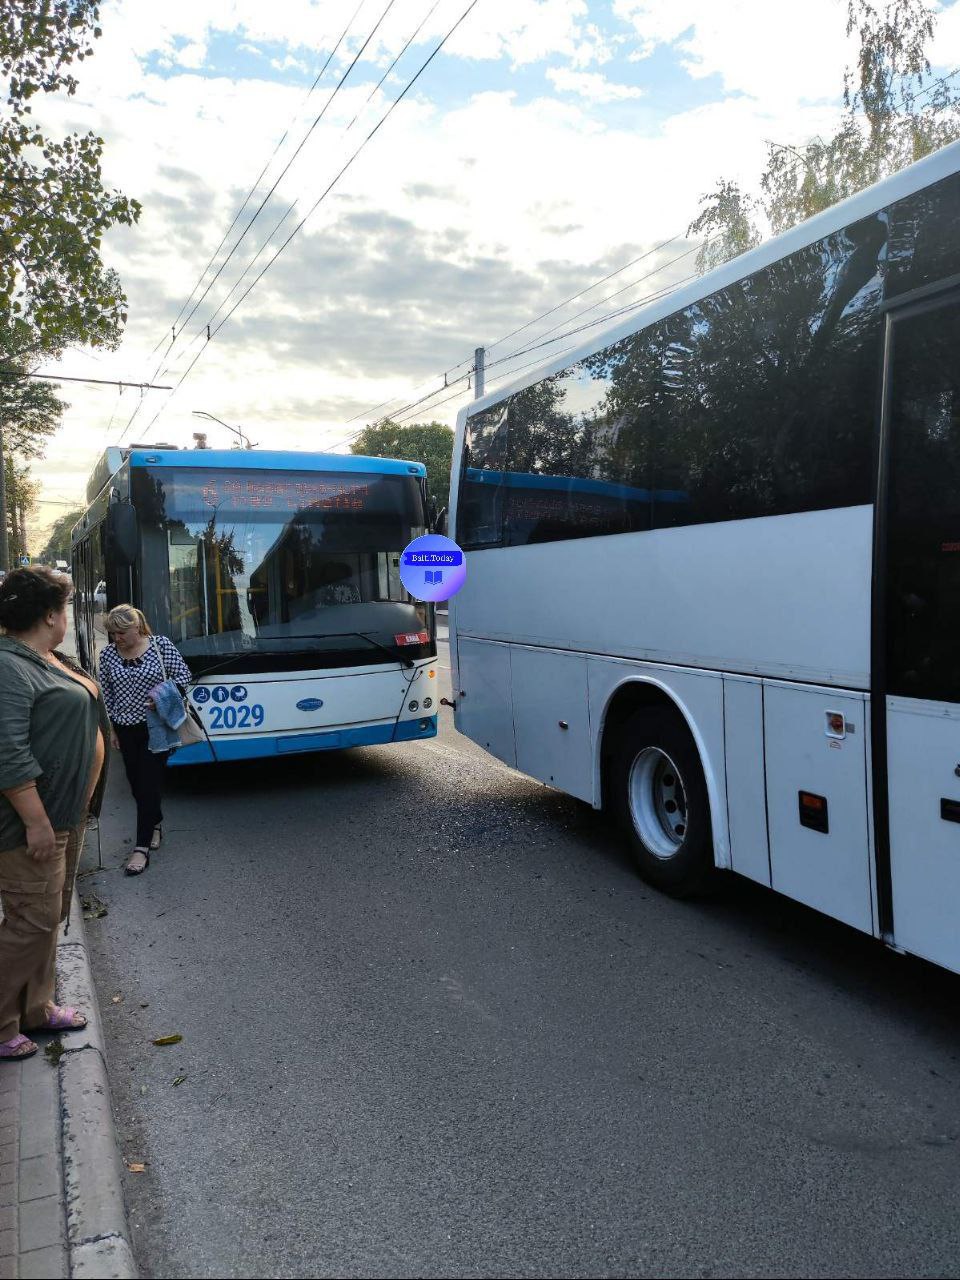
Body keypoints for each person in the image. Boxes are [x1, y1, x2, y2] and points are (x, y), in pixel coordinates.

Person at [0, 566, 110, 1061]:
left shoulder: (44, 657)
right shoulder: (8, 666)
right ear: (50, 614)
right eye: (64, 608)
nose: (67, 617)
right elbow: (8, 752)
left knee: (51, 917)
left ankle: (37, 1009)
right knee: (31, 922)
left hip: (64, 818)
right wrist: (37, 823)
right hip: (32, 828)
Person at [99, 605, 191, 876]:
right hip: (125, 731)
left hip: (156, 729)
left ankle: (141, 848)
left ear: (137, 627)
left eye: (122, 632)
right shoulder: (107, 655)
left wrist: (160, 696)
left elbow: (184, 676)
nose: (117, 638)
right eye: (113, 633)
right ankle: (155, 822)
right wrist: (112, 730)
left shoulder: (160, 646)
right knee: (137, 786)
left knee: (149, 784)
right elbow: (107, 695)